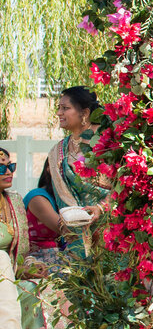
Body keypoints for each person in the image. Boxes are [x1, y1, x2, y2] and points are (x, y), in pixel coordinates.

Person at [0, 147, 57, 329]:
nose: (8, 172)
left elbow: (18, 257)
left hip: (6, 281)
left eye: (10, 166)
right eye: (1, 168)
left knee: (40, 286)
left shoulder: (13, 201)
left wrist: (33, 268)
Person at [47, 87, 110, 258]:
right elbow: (63, 196)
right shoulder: (58, 151)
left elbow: (126, 183)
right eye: (59, 108)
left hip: (112, 227)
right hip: (79, 229)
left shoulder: (109, 141)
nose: (59, 113)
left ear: (85, 113)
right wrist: (77, 219)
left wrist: (102, 208)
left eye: (65, 108)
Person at [23, 161, 67, 276]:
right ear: (49, 169)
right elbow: (66, 230)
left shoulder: (63, 200)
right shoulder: (38, 198)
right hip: (38, 262)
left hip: (61, 259)